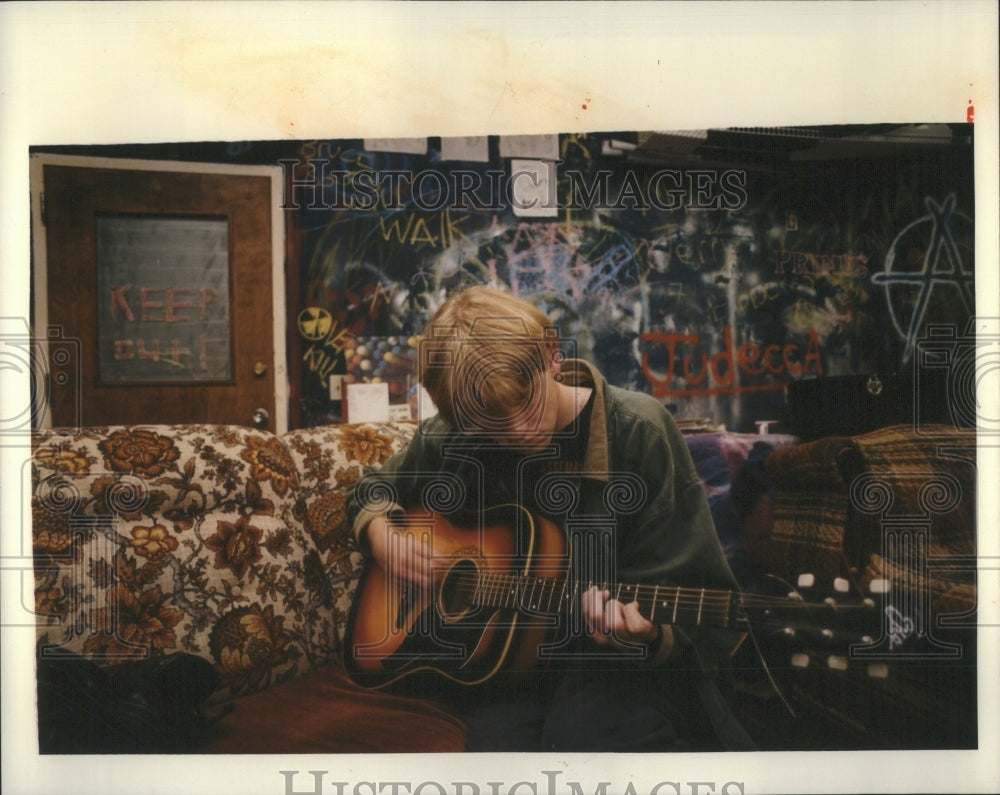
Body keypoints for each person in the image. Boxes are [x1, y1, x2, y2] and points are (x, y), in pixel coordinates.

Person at [345, 285, 753, 752]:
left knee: (584, 737)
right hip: (510, 664)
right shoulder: (454, 436)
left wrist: (652, 633)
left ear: (552, 356)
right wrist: (380, 534)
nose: (517, 429)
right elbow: (374, 487)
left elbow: (703, 599)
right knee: (494, 756)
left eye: (525, 400)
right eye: (490, 422)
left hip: (611, 662)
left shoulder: (639, 430)